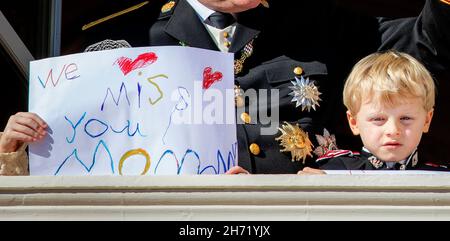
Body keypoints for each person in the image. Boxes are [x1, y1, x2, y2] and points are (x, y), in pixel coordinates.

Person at [2, 0, 449, 175]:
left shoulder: (318, 22)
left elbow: (427, 41)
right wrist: (18, 154)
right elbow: (77, 152)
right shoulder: (125, 37)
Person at [299, 51, 449, 174]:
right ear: (354, 122)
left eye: (405, 118)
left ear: (427, 121)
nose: (393, 130)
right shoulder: (334, 171)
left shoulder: (441, 178)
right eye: (378, 119)